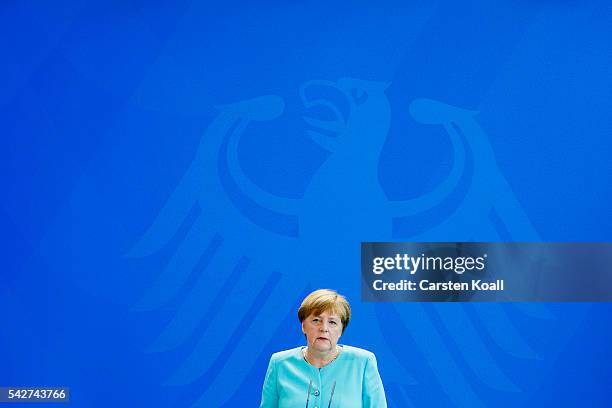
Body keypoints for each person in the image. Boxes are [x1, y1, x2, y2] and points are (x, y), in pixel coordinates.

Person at [259, 289, 387, 407]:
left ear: (341, 329)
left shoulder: (362, 362)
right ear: (303, 326)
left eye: (332, 322)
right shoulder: (279, 363)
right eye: (316, 320)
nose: (324, 328)